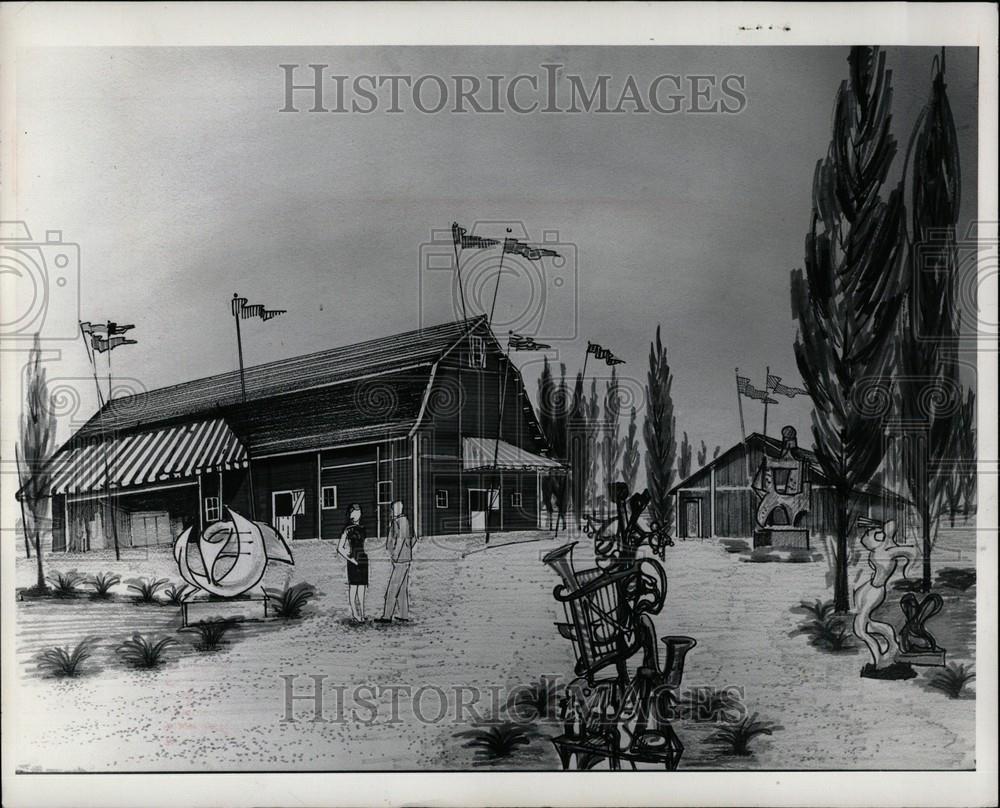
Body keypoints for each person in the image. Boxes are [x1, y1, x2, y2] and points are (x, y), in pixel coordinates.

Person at [375, 500, 414, 624]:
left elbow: (402, 540)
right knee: (402, 589)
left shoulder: (401, 521)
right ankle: (403, 615)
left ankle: (387, 616)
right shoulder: (400, 521)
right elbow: (413, 539)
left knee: (393, 589)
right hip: (404, 559)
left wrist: (397, 555)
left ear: (397, 510)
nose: (391, 511)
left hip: (400, 560)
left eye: (393, 509)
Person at [337, 504, 368, 623]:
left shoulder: (363, 527)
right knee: (354, 587)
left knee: (362, 588)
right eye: (355, 512)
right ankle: (355, 614)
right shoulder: (347, 529)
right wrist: (350, 559)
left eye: (359, 511)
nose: (357, 514)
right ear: (350, 514)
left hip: (363, 559)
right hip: (353, 559)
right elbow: (340, 548)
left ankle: (363, 613)